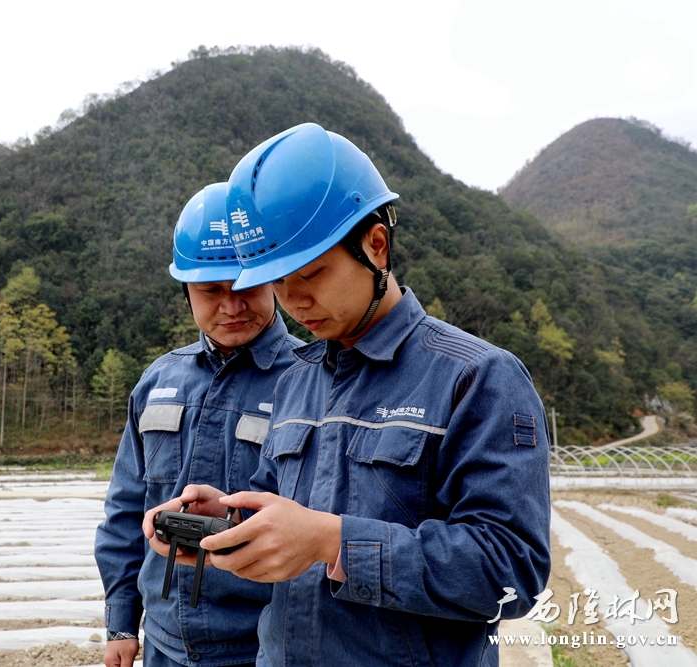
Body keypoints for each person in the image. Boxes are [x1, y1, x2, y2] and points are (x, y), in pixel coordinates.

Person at [143, 124, 552, 666]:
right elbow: (280, 509)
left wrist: (333, 542)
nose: (294, 301)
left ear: (375, 247)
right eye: (279, 282)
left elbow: (511, 570)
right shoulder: (297, 378)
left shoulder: (476, 379)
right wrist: (228, 520)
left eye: (311, 274)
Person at [95, 182, 303, 667]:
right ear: (187, 291)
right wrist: (121, 621)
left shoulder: (313, 380)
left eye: (246, 286)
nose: (231, 306)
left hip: (264, 647)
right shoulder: (158, 381)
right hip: (165, 647)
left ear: (273, 278)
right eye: (212, 291)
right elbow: (126, 511)